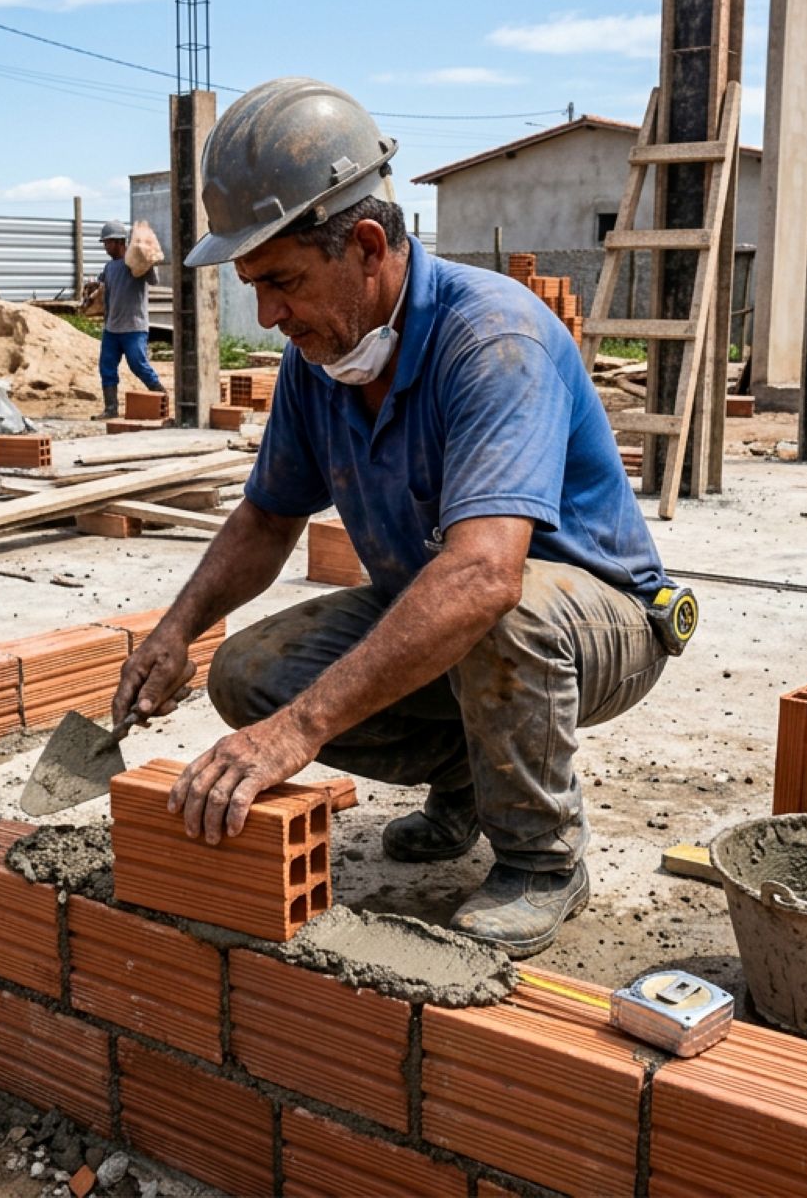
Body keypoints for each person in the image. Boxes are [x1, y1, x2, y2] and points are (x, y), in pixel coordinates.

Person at [110, 78, 693, 958]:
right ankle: (469, 781)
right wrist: (177, 629)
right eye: (253, 288)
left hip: (600, 623)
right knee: (250, 675)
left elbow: (486, 575)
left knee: (500, 607)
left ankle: (542, 859)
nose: (268, 317)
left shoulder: (493, 340)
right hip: (465, 609)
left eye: (283, 283)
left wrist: (299, 732)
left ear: (369, 245)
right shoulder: (324, 360)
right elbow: (268, 519)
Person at [95, 220, 162, 420]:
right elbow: (102, 285)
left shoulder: (135, 263)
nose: (106, 247)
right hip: (112, 329)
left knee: (138, 364)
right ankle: (111, 408)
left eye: (108, 243)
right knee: (106, 367)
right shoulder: (109, 267)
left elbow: (153, 280)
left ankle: (161, 397)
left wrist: (149, 261)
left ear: (118, 242)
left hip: (134, 327)